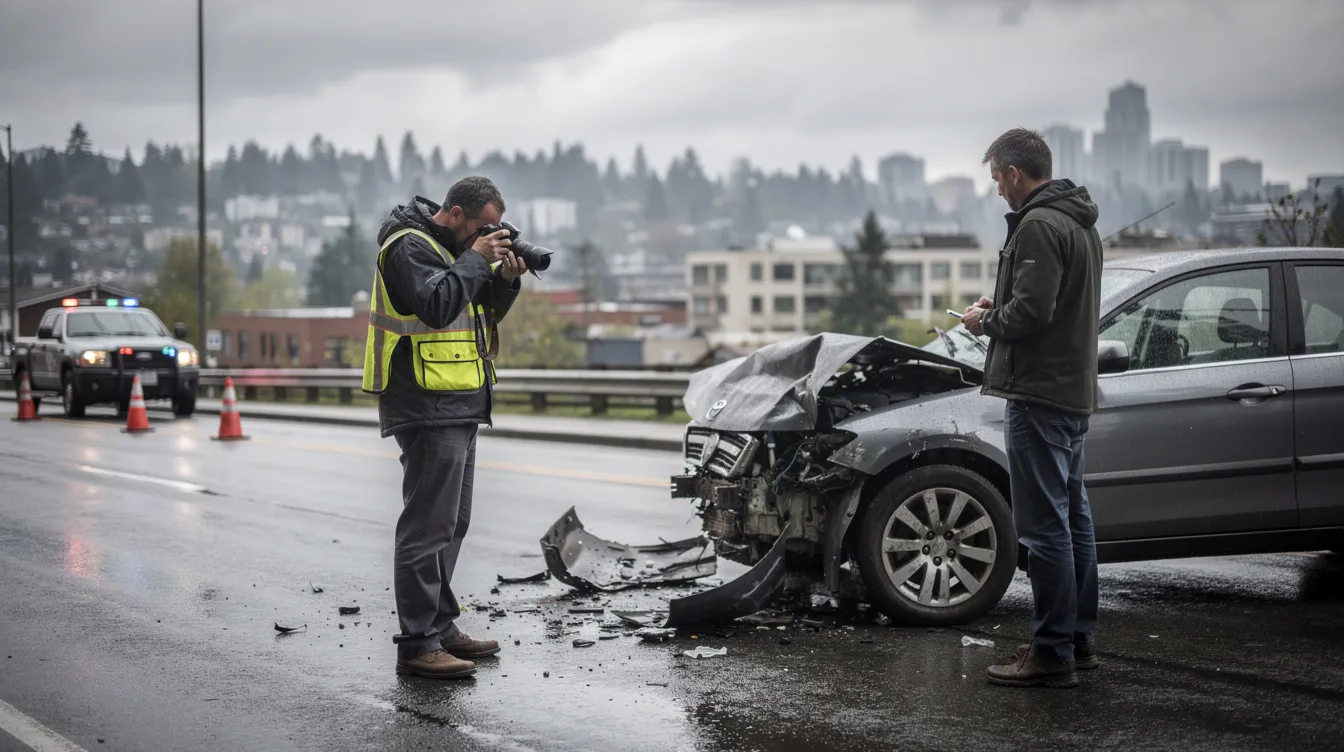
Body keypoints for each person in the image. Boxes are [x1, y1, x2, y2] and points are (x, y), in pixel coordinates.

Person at [361, 176, 526, 679]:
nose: (489, 235)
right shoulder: (407, 246)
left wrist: (506, 279)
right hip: (425, 400)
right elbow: (434, 307)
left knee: (453, 524)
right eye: (484, 227)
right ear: (454, 213)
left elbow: (474, 310)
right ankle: (416, 644)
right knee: (427, 526)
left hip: (460, 398)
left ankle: (441, 627)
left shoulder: (455, 249)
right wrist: (476, 259)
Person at [960, 128, 1103, 689]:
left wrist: (983, 321)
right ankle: (1077, 640)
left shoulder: (1039, 225)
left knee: (1044, 530)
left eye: (997, 178)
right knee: (1074, 521)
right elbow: (1052, 300)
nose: (997, 189)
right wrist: (1006, 299)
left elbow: (1033, 315)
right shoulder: (1078, 222)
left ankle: (1050, 654)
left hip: (1040, 394)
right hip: (1071, 393)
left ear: (1015, 174)